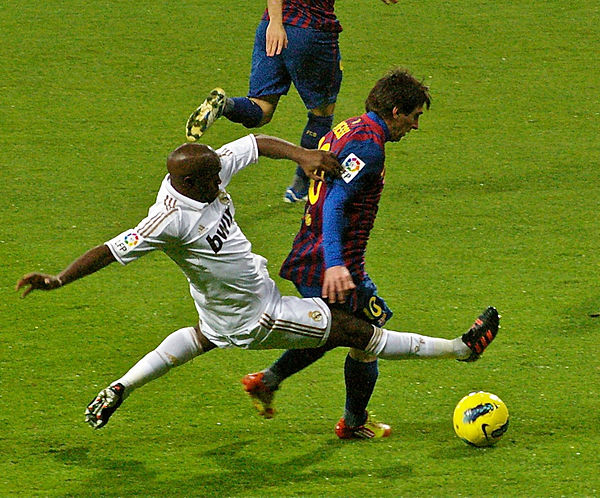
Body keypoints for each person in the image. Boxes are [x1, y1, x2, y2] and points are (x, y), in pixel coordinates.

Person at [16, 134, 499, 432]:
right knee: (356, 331)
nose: (221, 185)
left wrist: (303, 155)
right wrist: (59, 279)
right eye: (212, 184)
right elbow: (110, 249)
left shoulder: (205, 169)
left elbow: (255, 143)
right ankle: (462, 349)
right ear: (190, 186)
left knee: (199, 337)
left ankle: (122, 387)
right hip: (258, 317)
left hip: (220, 306)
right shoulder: (169, 219)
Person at [241, 68, 464, 439]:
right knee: (366, 336)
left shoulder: (352, 127)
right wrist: (335, 265)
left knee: (335, 331)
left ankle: (269, 381)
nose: (415, 126)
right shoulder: (369, 146)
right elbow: (337, 202)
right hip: (329, 260)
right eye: (414, 116)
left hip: (318, 251)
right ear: (396, 111)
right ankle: (353, 422)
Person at [185, 0, 398, 204]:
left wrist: (275, 23)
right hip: (310, 31)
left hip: (269, 28)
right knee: (321, 114)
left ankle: (225, 105)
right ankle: (300, 187)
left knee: (261, 108)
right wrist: (277, 23)